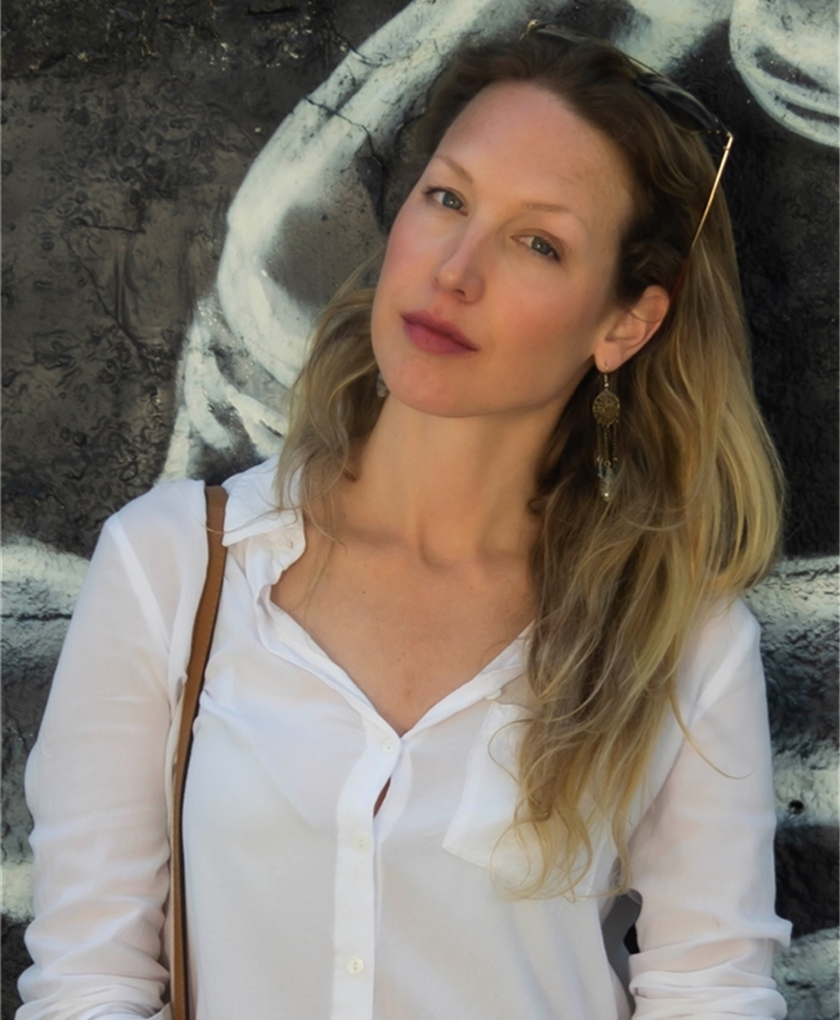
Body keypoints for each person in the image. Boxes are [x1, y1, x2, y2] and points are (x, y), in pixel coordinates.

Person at [17, 22, 791, 1020]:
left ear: (624, 324)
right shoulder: (173, 565)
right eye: (447, 198)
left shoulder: (679, 641)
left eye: (539, 243)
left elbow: (710, 990)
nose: (455, 269)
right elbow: (88, 978)